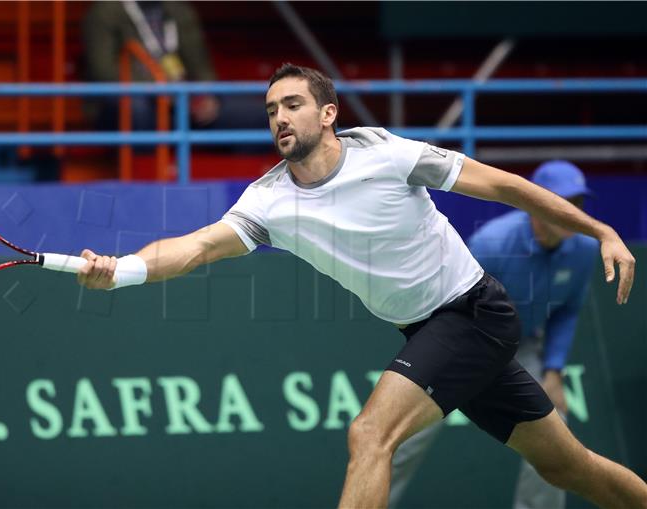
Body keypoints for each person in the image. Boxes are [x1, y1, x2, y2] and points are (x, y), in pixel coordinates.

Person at [76, 63, 646, 508]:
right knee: (567, 467)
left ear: (327, 114)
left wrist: (598, 230)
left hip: (472, 313)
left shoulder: (389, 155)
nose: (280, 117)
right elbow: (195, 247)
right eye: (272, 108)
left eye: (293, 104)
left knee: (369, 434)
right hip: (428, 330)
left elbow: (502, 186)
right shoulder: (267, 200)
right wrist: (122, 270)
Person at [387, 160, 600, 509]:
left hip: (522, 348)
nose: (571, 212)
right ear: (536, 203)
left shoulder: (585, 250)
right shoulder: (492, 243)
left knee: (558, 427)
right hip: (462, 346)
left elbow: (566, 310)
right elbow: (450, 303)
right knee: (404, 432)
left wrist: (554, 370)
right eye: (564, 202)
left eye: (577, 204)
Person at [82, 1, 265, 131]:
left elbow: (201, 67)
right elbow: (104, 73)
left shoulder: (179, 9)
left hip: (181, 101)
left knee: (255, 112)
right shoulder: (104, 12)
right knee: (135, 109)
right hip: (139, 101)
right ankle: (143, 177)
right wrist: (157, 88)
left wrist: (208, 95)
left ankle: (252, 180)